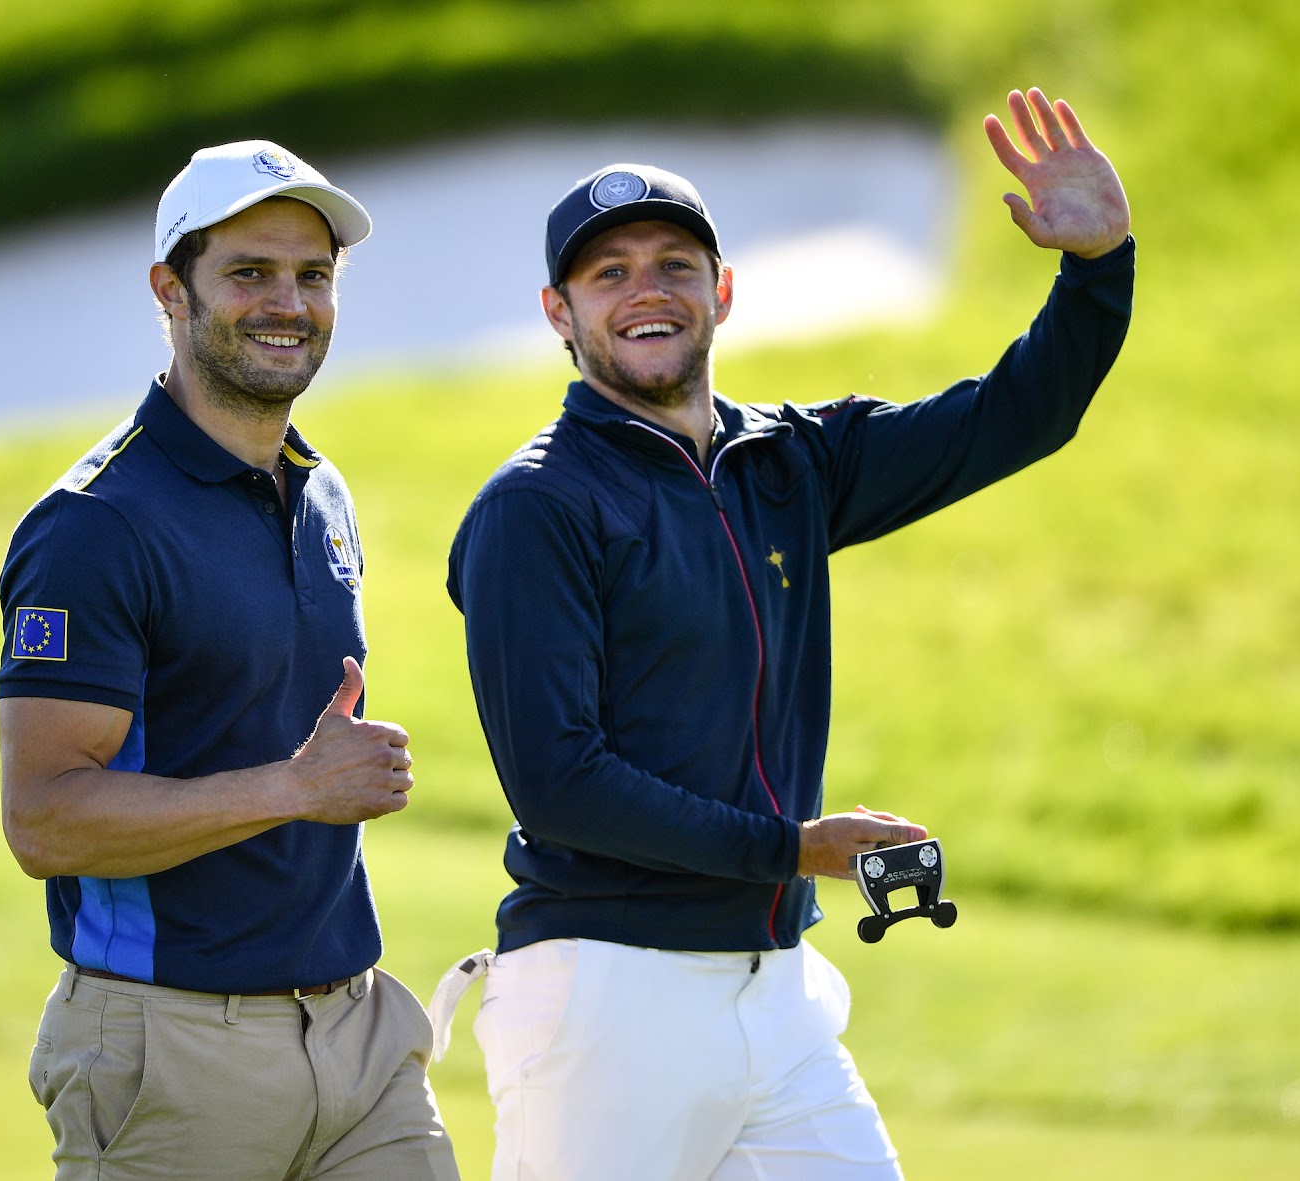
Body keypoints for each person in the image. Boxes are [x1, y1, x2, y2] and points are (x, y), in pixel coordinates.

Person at [435, 88, 1133, 1179]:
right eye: (608, 272)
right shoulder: (536, 506)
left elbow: (1014, 417)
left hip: (776, 988)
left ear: (720, 290)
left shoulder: (789, 461)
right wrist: (794, 847)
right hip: (605, 993)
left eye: (673, 264)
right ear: (558, 313)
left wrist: (1096, 268)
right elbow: (561, 782)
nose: (646, 290)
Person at [0, 139, 459, 1181]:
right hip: (170, 1048)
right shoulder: (94, 525)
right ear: (172, 290)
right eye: (249, 272)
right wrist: (295, 788)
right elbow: (43, 819)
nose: (288, 303)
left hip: (358, 1034)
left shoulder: (321, 489)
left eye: (313, 275)